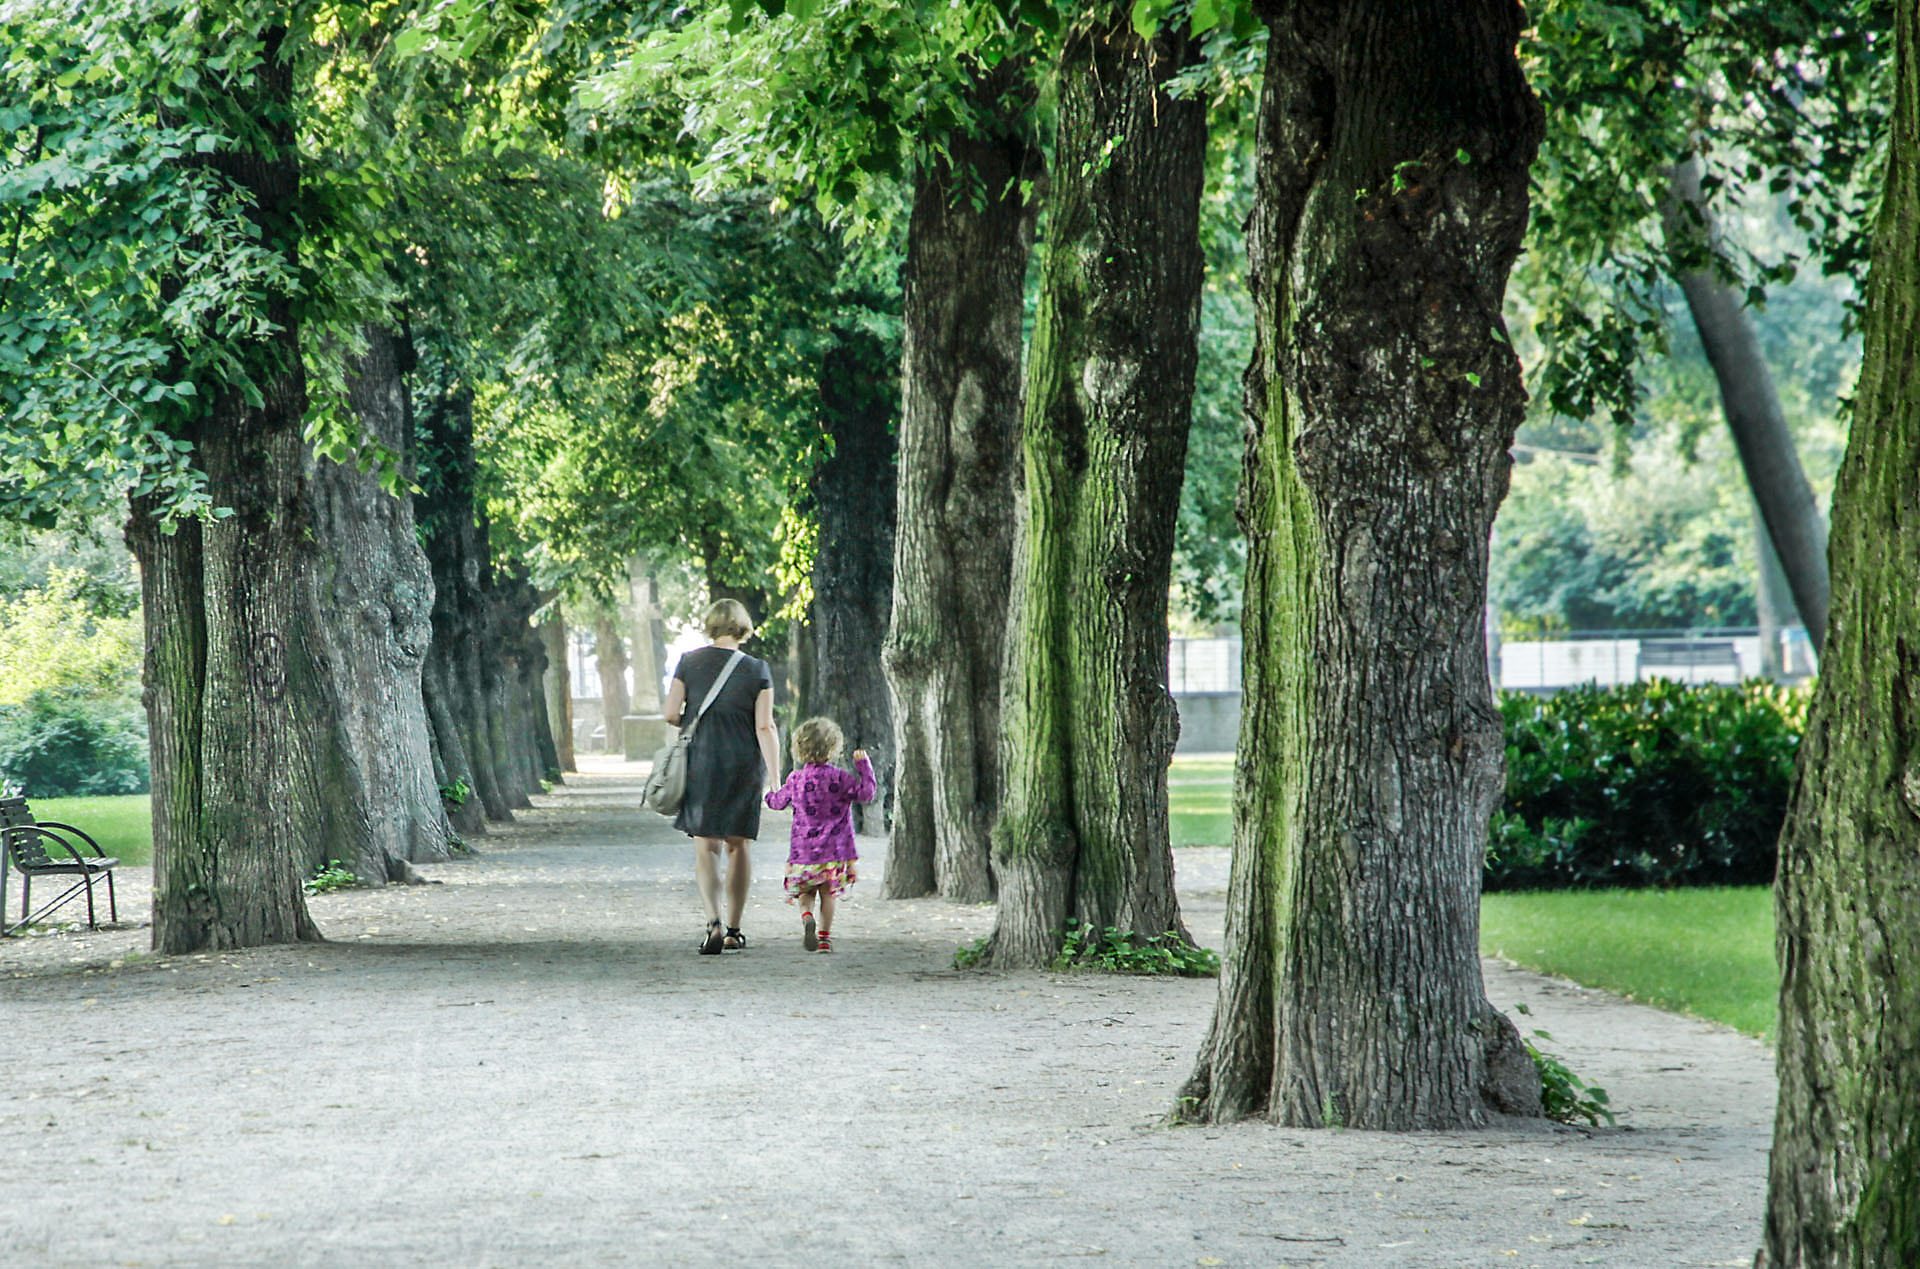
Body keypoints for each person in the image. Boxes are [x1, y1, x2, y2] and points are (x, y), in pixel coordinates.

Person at [663, 599, 780, 955]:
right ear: (743, 628)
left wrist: (697, 720)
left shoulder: (689, 662)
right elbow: (765, 725)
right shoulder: (758, 669)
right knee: (738, 844)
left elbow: (670, 713)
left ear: (711, 625)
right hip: (743, 764)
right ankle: (734, 929)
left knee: (706, 846)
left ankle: (712, 920)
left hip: (702, 761)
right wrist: (775, 777)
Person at [764, 717, 874, 954]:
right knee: (828, 894)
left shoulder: (795, 779)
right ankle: (824, 938)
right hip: (833, 852)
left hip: (802, 852)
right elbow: (866, 793)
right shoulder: (840, 779)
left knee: (805, 891)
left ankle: (806, 916)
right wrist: (864, 766)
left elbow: (777, 802)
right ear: (834, 748)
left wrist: (767, 795)